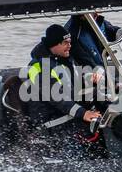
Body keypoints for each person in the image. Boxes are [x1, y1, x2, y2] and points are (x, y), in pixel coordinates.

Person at [22, 24, 102, 153]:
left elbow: (70, 85)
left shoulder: (62, 60)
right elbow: (58, 98)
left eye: (70, 42)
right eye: (65, 43)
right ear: (54, 44)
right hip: (52, 123)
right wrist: (83, 113)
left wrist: (88, 79)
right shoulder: (39, 67)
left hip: (66, 115)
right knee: (89, 142)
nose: (70, 45)